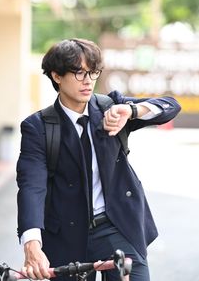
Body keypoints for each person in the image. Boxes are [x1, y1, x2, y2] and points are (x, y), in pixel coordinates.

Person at [16, 38, 181, 281]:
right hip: (66, 235)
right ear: (56, 76)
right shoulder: (38, 127)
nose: (88, 80)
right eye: (78, 72)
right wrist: (31, 242)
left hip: (117, 228)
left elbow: (170, 106)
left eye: (93, 72)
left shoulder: (110, 107)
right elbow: (32, 185)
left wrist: (132, 111)